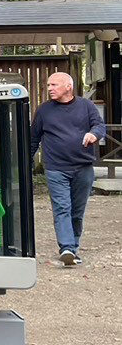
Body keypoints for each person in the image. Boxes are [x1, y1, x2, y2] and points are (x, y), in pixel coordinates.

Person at [30, 71, 105, 267]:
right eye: (48, 85)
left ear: (68, 87)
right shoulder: (44, 110)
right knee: (62, 208)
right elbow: (33, 139)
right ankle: (67, 248)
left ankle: (73, 247)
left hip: (83, 167)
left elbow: (99, 125)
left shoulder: (86, 106)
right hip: (56, 168)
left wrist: (93, 134)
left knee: (77, 211)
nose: (49, 89)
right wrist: (24, 163)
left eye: (54, 85)